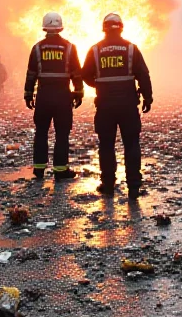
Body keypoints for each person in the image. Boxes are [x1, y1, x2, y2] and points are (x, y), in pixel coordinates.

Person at [82, 13, 153, 199]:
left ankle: (107, 184)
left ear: (104, 28)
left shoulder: (95, 50)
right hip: (128, 105)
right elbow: (143, 75)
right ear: (121, 27)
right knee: (131, 144)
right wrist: (148, 98)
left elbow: (86, 75)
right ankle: (134, 187)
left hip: (105, 105)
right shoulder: (131, 49)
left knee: (106, 145)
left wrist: (101, 84)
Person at [23, 12, 83, 181]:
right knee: (62, 133)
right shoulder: (69, 48)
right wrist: (78, 93)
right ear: (60, 27)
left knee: (41, 132)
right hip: (63, 95)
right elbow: (76, 73)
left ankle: (39, 169)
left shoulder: (37, 48)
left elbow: (31, 74)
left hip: (43, 95)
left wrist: (28, 94)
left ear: (45, 28)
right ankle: (60, 170)